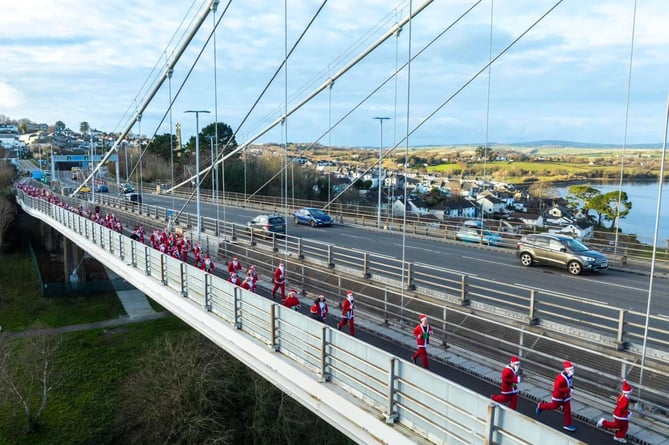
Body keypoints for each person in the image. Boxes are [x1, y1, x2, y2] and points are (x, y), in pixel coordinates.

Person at [536, 361, 576, 432]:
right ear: (566, 369)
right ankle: (541, 406)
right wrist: (568, 390)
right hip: (558, 396)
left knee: (567, 410)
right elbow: (557, 388)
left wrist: (570, 388)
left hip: (566, 396)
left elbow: (569, 384)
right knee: (553, 406)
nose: (572, 371)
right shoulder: (560, 378)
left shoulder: (570, 375)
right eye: (570, 369)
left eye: (572, 369)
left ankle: (567, 424)